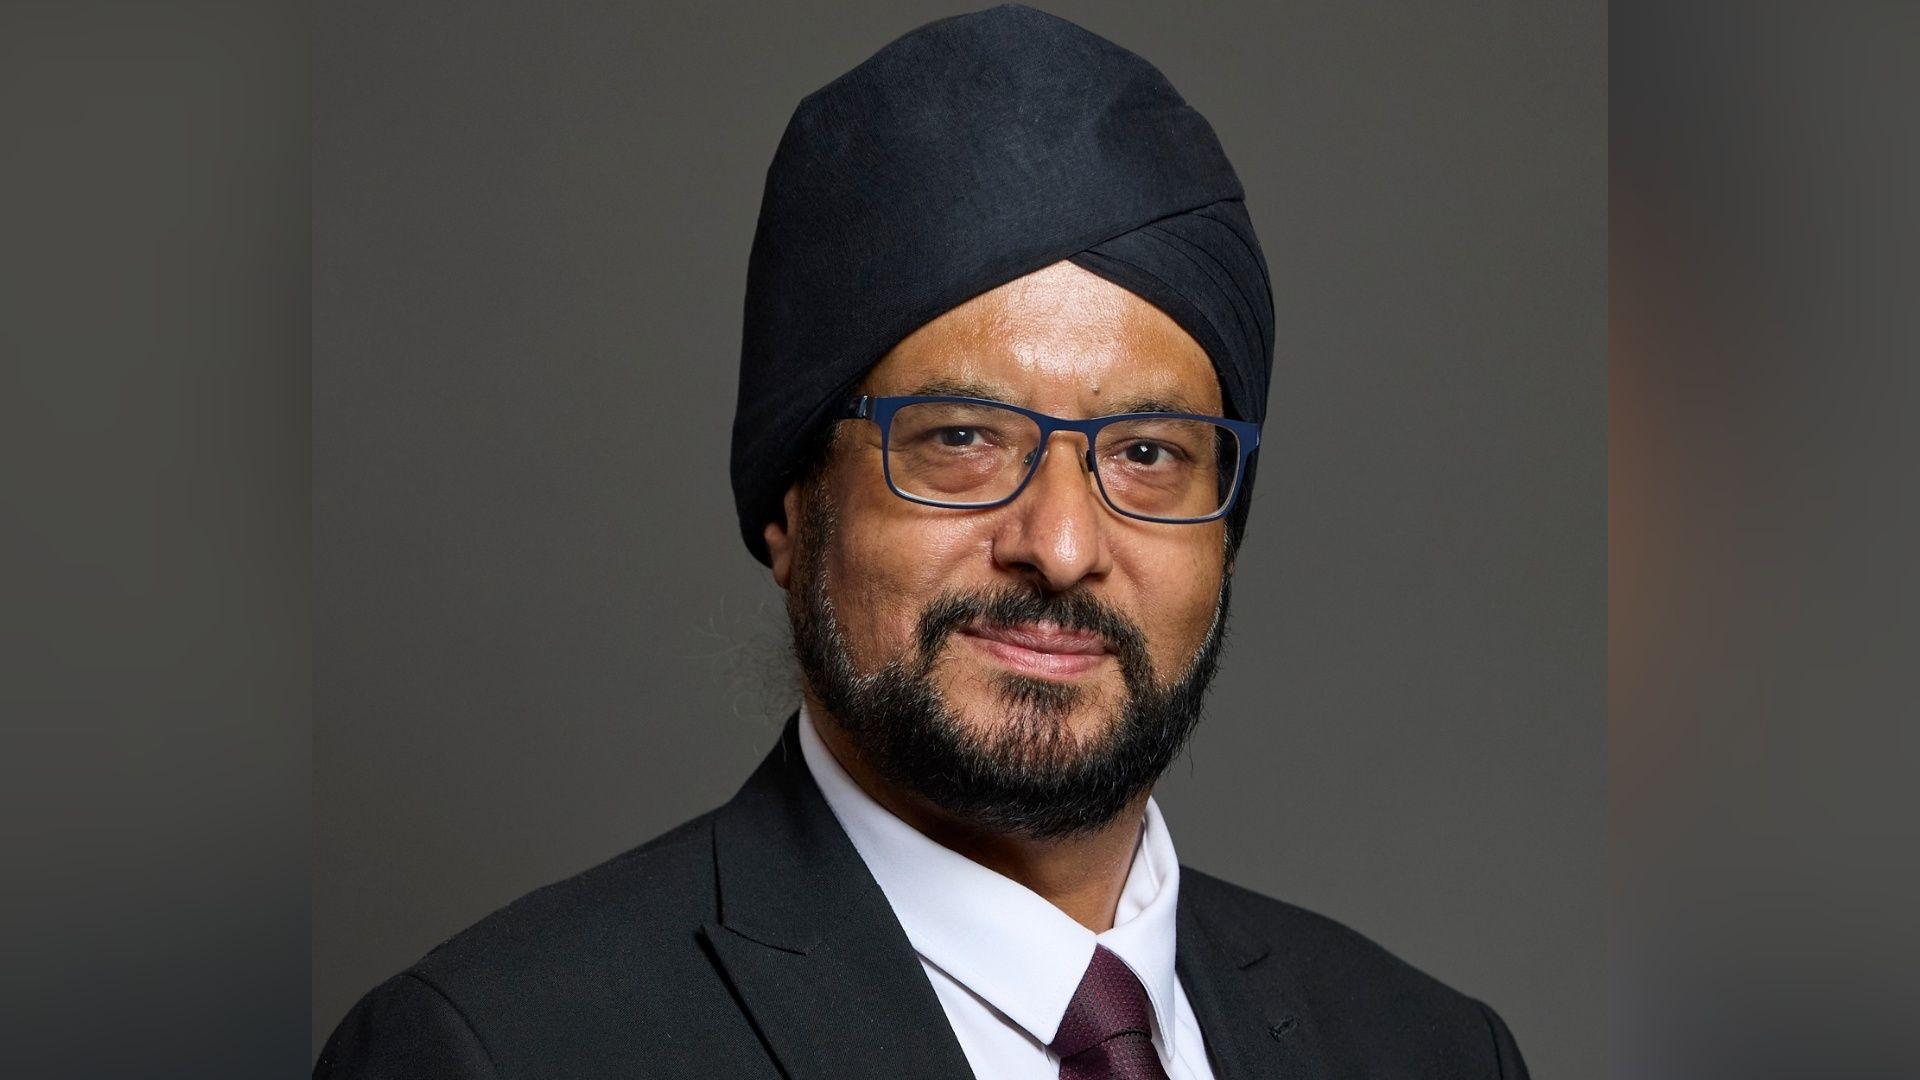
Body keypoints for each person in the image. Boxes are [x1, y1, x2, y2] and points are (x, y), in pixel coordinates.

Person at [316, 5, 1530, 1078]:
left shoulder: (1424, 1049)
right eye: (961, 438)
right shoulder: (498, 1050)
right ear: (793, 506)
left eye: (1149, 453)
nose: (1059, 544)